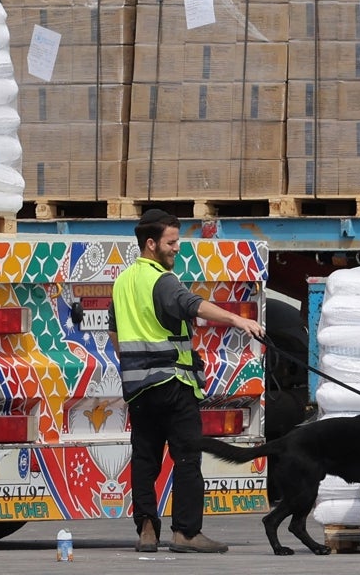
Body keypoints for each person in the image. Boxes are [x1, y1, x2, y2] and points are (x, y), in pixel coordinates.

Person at [108, 209, 264, 554]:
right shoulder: (161, 280)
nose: (177, 249)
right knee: (187, 457)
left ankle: (147, 528)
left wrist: (137, 362)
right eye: (171, 242)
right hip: (173, 382)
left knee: (145, 458)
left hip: (138, 387)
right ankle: (187, 534)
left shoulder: (122, 282)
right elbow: (194, 306)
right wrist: (238, 320)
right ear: (151, 244)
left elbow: (115, 335)